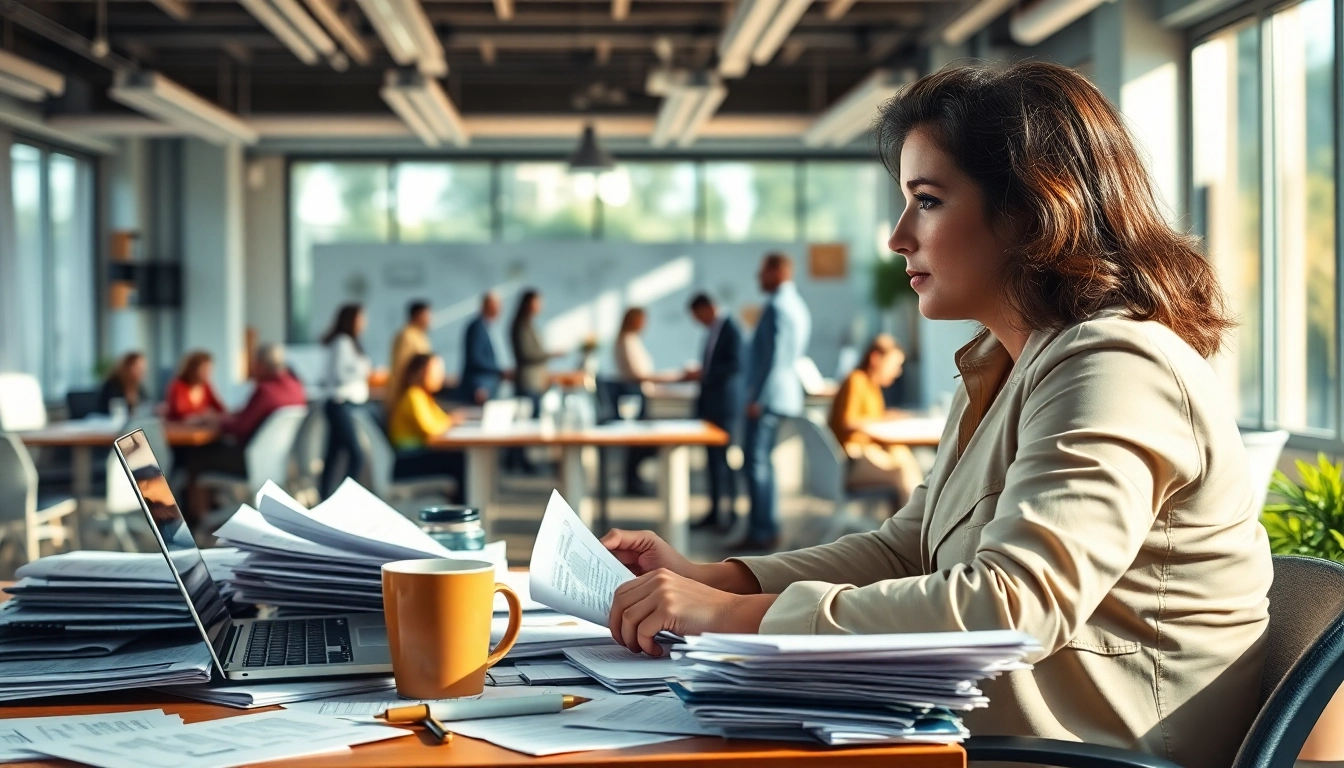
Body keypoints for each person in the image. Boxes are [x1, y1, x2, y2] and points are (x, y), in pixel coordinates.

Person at [596, 62, 1272, 768]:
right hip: (973, 735)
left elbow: (1011, 607)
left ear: (1032, 210)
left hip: (1084, 756)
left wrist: (736, 619)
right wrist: (719, 580)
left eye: (927, 200)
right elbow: (906, 549)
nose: (897, 236)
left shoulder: (1116, 363)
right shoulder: (1002, 362)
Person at [739, 253, 811, 551]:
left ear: (778, 271)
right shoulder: (797, 304)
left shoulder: (777, 307)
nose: (759, 278)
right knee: (762, 463)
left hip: (769, 397)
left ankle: (763, 531)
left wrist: (758, 397)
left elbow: (775, 357)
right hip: (782, 394)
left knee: (756, 464)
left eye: (763, 272)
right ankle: (764, 527)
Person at [183, 344, 306, 519]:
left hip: (249, 461)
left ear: (261, 365)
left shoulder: (265, 390)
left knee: (195, 456)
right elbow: (249, 415)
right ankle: (215, 506)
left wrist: (216, 421)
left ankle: (197, 520)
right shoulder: (296, 387)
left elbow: (239, 428)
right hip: (277, 462)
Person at [827, 334, 923, 504]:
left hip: (864, 453)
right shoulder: (856, 380)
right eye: (894, 365)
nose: (897, 371)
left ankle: (914, 519)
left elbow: (870, 417)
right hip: (850, 461)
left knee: (902, 454)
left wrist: (889, 417)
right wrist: (881, 421)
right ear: (876, 358)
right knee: (901, 471)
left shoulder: (872, 386)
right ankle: (916, 525)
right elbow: (848, 422)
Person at [685, 293, 744, 531]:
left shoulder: (732, 329)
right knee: (711, 462)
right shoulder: (713, 331)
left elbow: (735, 365)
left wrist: (705, 374)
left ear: (708, 308)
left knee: (725, 462)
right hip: (710, 405)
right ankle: (714, 511)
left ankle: (730, 514)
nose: (697, 321)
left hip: (725, 406)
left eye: (697, 315)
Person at [388, 353, 464, 498]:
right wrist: (450, 421)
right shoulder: (413, 395)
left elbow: (441, 420)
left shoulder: (423, 396)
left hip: (414, 456)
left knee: (458, 458)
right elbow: (431, 429)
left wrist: (450, 420)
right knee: (458, 461)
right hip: (407, 461)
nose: (440, 376)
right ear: (422, 372)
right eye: (436, 371)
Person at [320, 304, 371, 498]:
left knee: (333, 456)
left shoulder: (351, 342)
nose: (364, 323)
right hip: (339, 404)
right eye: (361, 319)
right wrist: (363, 369)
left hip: (345, 404)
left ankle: (326, 497)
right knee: (355, 455)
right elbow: (339, 374)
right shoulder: (342, 342)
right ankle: (345, 498)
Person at [388, 300, 433, 415]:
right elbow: (402, 367)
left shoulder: (419, 335)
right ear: (418, 316)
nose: (430, 319)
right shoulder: (406, 336)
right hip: (405, 396)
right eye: (427, 315)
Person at [460, 292, 506, 404]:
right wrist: (499, 371)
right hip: (481, 383)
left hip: (492, 382)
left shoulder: (492, 326)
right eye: (495, 305)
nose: (499, 309)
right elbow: (476, 358)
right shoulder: (477, 327)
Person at [164, 351, 226, 424]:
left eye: (210, 370)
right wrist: (204, 416)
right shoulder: (177, 386)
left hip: (199, 431)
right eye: (204, 369)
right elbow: (181, 415)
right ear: (193, 369)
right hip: (178, 431)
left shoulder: (206, 386)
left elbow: (221, 410)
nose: (208, 373)